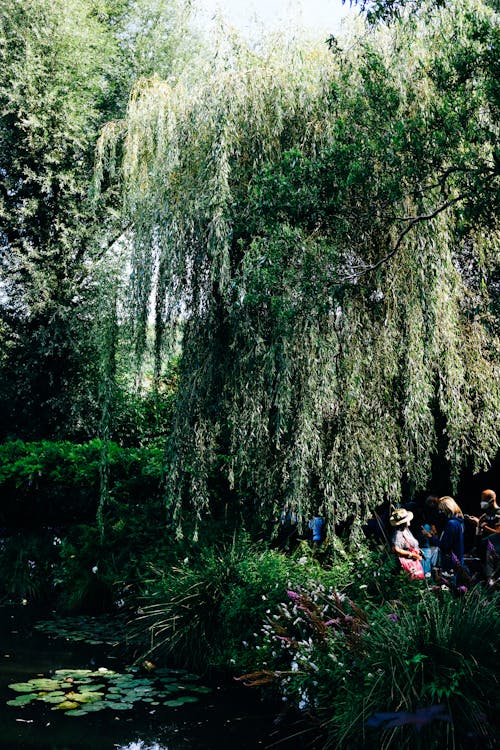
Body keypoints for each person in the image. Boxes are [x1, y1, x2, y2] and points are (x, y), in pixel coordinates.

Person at [423, 496, 465, 578]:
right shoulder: (459, 522)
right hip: (458, 558)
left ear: (447, 508)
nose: (440, 512)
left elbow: (445, 545)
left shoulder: (451, 524)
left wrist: (430, 536)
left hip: (450, 561)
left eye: (441, 509)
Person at [466, 489, 500, 583]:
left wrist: (482, 526)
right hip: (485, 549)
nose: (482, 502)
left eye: (484, 500)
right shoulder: (487, 513)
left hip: (495, 551)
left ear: (492, 500)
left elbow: (498, 533)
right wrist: (478, 525)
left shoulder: (498, 513)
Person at [389, 507, 424, 579]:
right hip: (408, 563)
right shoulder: (398, 533)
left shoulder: (406, 530)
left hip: (414, 560)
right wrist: (412, 555)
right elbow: (396, 549)